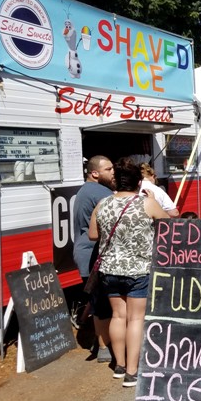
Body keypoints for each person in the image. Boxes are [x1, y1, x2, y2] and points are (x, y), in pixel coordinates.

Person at [89, 159, 170, 387]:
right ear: (138, 182)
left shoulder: (102, 204)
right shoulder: (146, 203)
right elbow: (168, 224)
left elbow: (93, 235)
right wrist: (153, 202)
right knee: (136, 319)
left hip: (109, 269)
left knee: (118, 316)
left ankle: (120, 365)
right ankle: (132, 372)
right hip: (138, 270)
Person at [72, 155, 115, 364]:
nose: (112, 172)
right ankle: (103, 347)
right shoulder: (101, 193)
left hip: (84, 252)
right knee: (102, 303)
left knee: (99, 302)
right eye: (109, 169)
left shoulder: (84, 190)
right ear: (95, 173)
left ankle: (103, 344)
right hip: (93, 253)